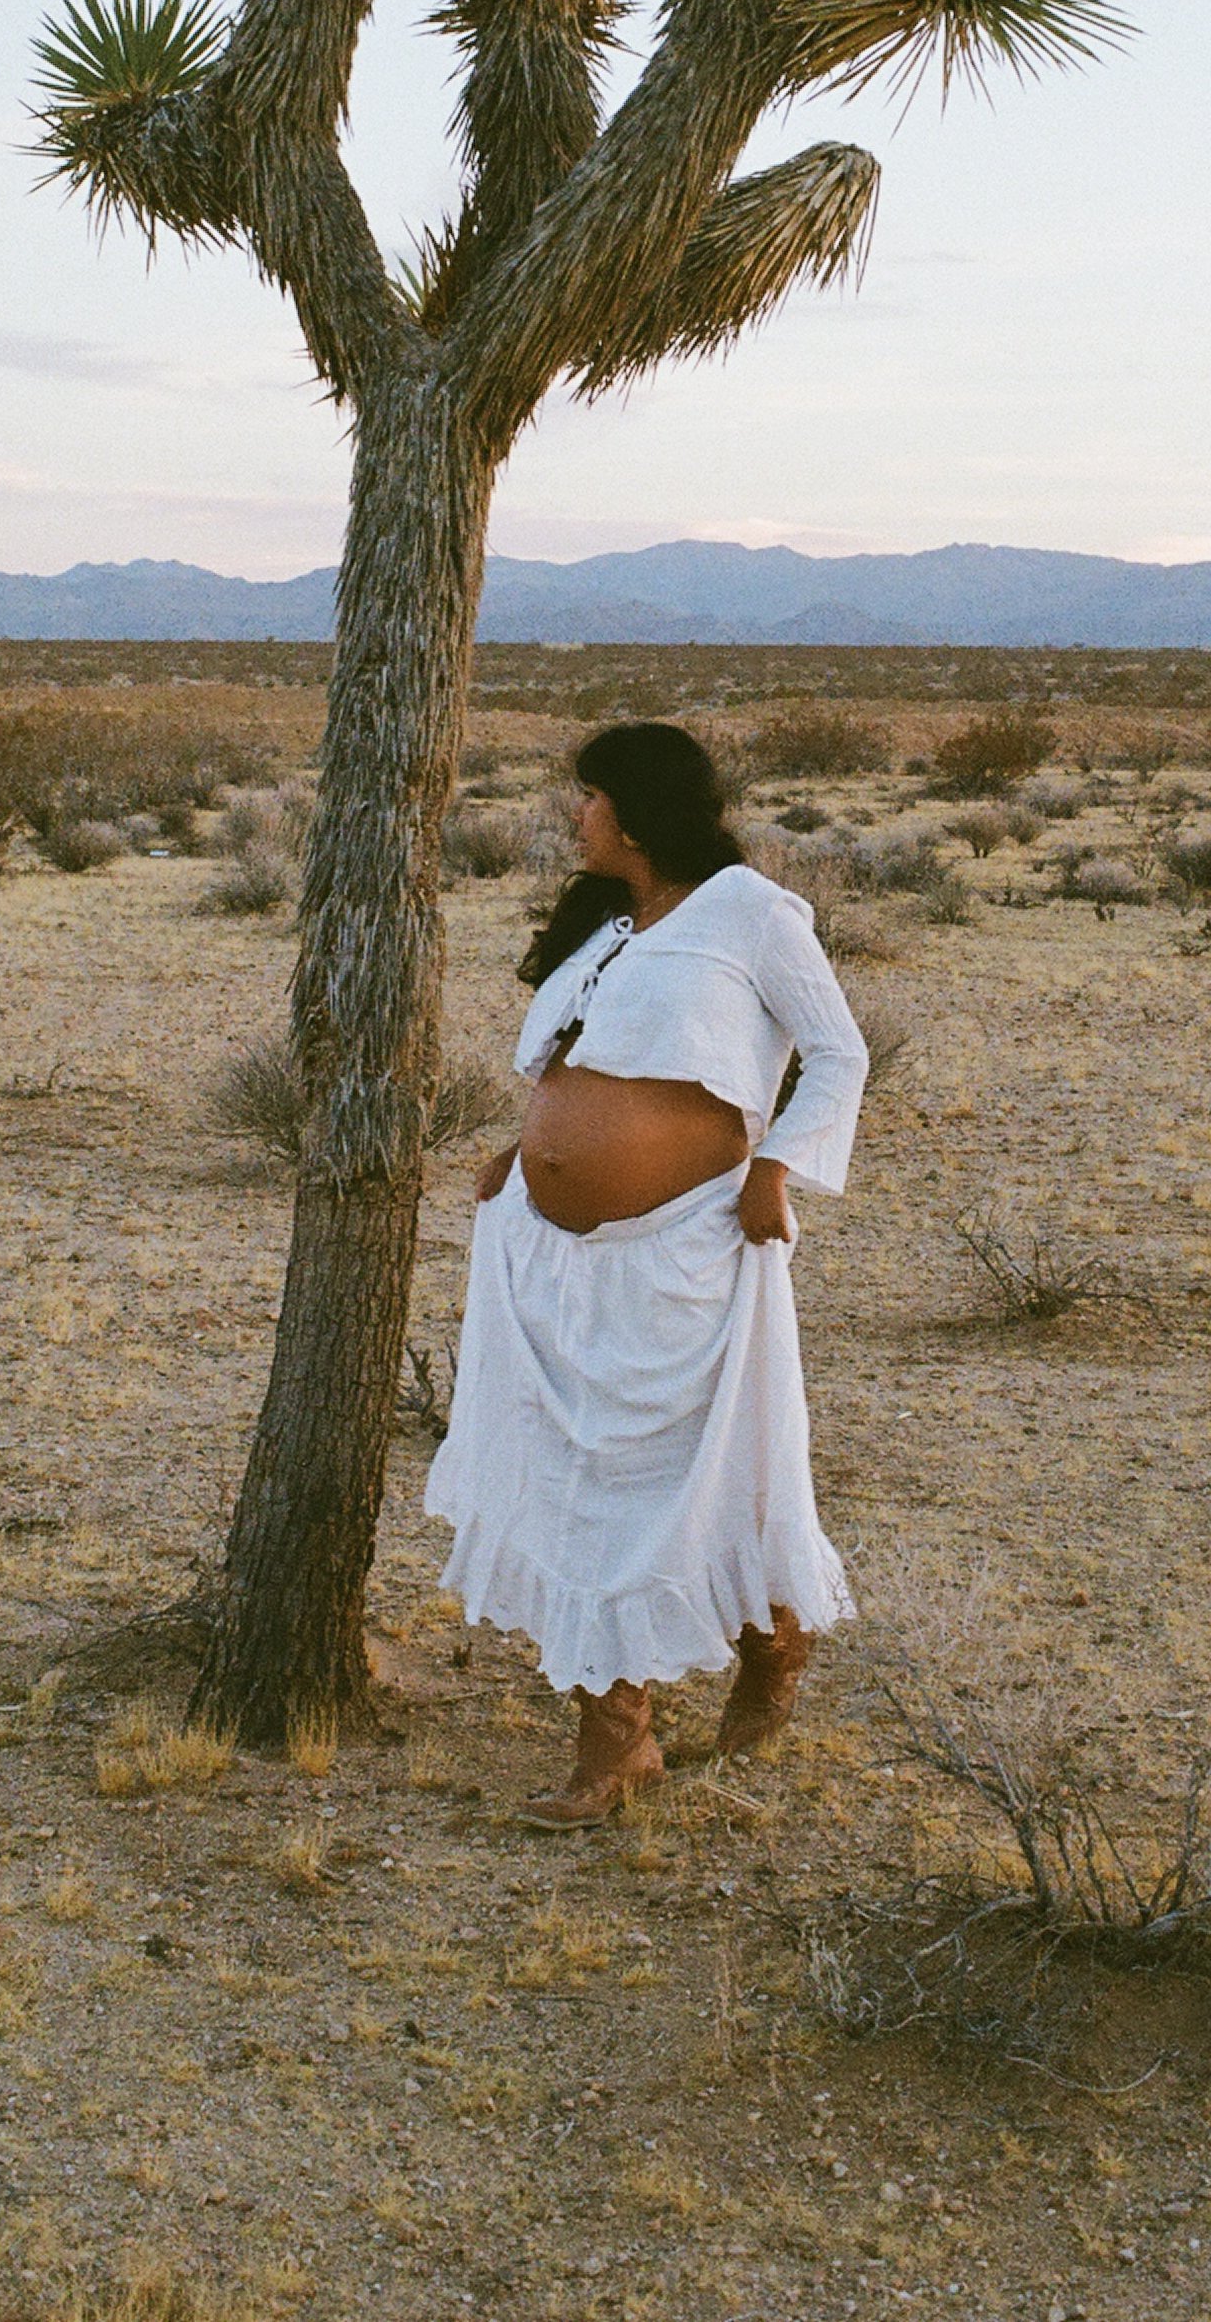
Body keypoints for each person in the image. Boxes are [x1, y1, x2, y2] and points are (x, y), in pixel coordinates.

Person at [424, 720, 867, 1826]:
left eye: (588, 797)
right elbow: (579, 1064)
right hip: (553, 1258)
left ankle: (772, 1639)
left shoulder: (752, 913)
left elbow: (838, 1051)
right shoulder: (616, 929)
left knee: (687, 1475)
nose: (575, 816)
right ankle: (618, 1745)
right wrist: (520, 1153)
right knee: (578, 1484)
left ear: (633, 808)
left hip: (684, 1248)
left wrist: (778, 1166)